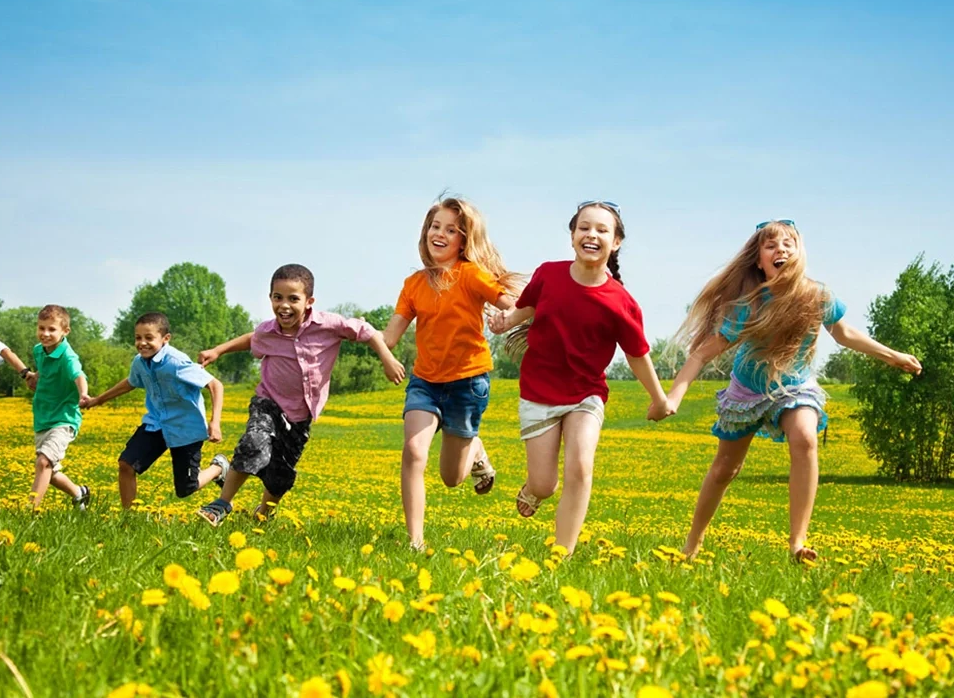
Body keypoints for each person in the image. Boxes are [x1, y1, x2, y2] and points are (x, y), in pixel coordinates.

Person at [663, 219, 922, 561]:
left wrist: (892, 355)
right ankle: (692, 543)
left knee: (805, 437)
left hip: (794, 385)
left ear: (800, 253)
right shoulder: (749, 306)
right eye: (770, 246)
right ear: (758, 261)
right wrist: (673, 397)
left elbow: (843, 333)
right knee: (726, 468)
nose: (780, 250)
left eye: (788, 244)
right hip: (747, 389)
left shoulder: (817, 296)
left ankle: (797, 543)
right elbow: (701, 354)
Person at [490, 200, 672, 554]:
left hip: (585, 394)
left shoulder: (621, 302)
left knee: (580, 466)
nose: (592, 235)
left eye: (602, 230)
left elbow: (637, 354)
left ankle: (562, 553)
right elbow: (528, 306)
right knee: (545, 483)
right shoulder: (548, 274)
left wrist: (659, 398)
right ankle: (534, 489)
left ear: (616, 242)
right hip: (538, 391)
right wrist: (506, 321)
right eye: (584, 227)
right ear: (572, 235)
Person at [196, 263, 405, 526]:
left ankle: (264, 513)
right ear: (270, 297)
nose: (284, 305)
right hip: (268, 403)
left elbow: (368, 332)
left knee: (281, 475)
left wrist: (387, 359)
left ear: (309, 301)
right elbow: (252, 338)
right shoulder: (268, 332)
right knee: (253, 444)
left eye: (293, 298)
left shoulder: (329, 325)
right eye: (277, 297)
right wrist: (218, 350)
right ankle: (221, 504)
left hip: (300, 415)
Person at [384, 196, 521, 550]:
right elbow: (390, 336)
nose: (440, 234)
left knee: (451, 478)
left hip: (467, 384)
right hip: (425, 383)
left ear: (464, 240)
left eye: (451, 230)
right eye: (435, 226)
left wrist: (508, 319)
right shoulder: (413, 284)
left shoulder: (471, 274)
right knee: (414, 452)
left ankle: (474, 446)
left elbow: (511, 304)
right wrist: (361, 338)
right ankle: (415, 541)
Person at [81, 312, 227, 509]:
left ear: (165, 339)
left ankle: (218, 468)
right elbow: (130, 383)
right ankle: (128, 518)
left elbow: (215, 385)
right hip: (156, 423)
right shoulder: (139, 362)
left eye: (149, 338)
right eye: (138, 338)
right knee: (126, 464)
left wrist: (215, 422)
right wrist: (98, 400)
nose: (142, 343)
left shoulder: (176, 362)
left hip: (185, 427)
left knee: (186, 488)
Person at [28, 305, 91, 509]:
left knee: (43, 462)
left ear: (65, 331)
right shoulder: (39, 350)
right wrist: (36, 377)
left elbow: (78, 375)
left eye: (52, 329)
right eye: (41, 328)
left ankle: (30, 510)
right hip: (43, 417)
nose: (45, 334)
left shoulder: (67, 356)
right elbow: (45, 370)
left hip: (64, 419)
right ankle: (79, 493)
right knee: (50, 473)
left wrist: (83, 394)